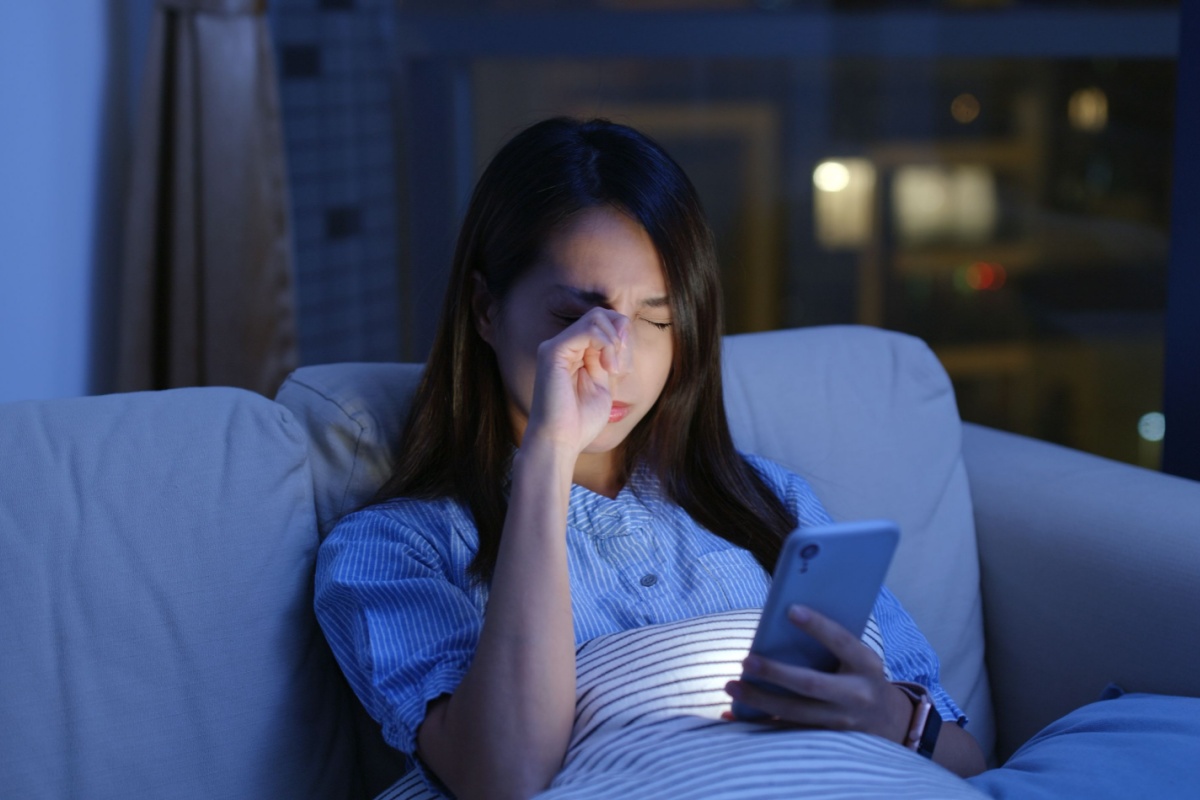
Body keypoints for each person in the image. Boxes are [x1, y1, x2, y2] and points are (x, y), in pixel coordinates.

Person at [313, 116, 987, 800]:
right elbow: (504, 780)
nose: (616, 359)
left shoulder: (768, 499)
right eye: (575, 316)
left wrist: (894, 717)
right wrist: (548, 454)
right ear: (486, 310)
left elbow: (971, 762)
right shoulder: (393, 547)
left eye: (657, 321)